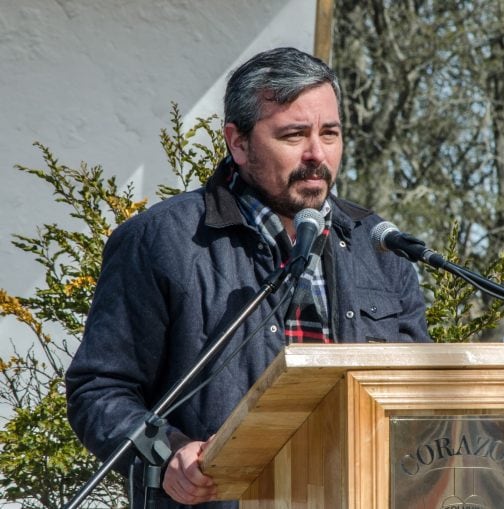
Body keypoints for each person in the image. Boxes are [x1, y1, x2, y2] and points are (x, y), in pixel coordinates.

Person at [65, 47, 430, 507]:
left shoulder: (378, 248)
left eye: (330, 133)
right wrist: (168, 452)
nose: (317, 154)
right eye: (294, 135)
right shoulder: (161, 241)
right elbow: (99, 389)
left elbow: (420, 395)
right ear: (238, 143)